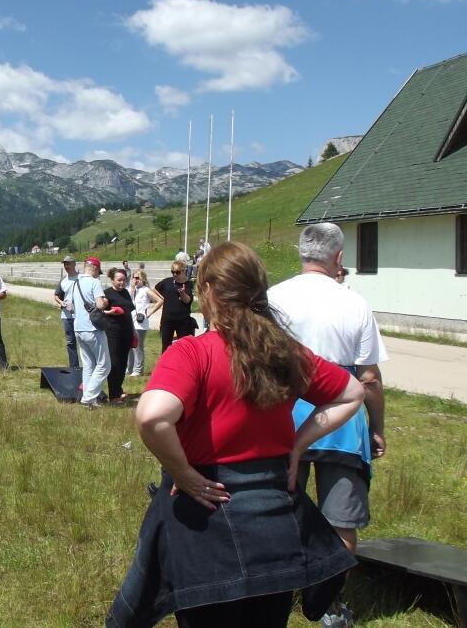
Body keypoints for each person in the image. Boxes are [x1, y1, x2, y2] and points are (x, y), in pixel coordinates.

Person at [106, 241, 365, 628]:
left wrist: (181, 472)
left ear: (208, 291)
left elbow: (152, 416)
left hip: (205, 521)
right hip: (275, 518)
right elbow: (352, 392)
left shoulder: (192, 353)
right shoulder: (284, 351)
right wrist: (297, 445)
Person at [268, 223, 388, 628]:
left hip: (282, 417)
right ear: (338, 258)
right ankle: (330, 605)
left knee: (280, 510)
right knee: (342, 518)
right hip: (342, 420)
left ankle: (276, 597)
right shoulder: (354, 302)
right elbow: (368, 378)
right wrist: (376, 426)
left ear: (300, 253)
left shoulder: (272, 298)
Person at [73, 257, 110, 407]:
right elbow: (101, 304)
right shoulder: (95, 282)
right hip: (92, 328)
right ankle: (88, 397)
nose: (98, 275)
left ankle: (90, 399)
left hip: (78, 327)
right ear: (94, 268)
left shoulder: (76, 282)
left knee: (88, 365)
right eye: (98, 272)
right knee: (104, 364)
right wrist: (106, 302)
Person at [102, 268, 135, 403]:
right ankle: (113, 395)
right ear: (112, 280)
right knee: (114, 363)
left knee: (123, 363)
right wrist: (110, 312)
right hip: (113, 332)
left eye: (124, 280)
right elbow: (100, 311)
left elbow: (129, 313)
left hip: (126, 332)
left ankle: (118, 389)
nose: (122, 282)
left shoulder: (126, 292)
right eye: (119, 280)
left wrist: (134, 332)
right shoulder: (106, 294)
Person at [127, 269, 163, 377]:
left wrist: (149, 313)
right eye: (134, 277)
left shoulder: (145, 290)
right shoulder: (130, 289)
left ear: (142, 279)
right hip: (130, 320)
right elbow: (127, 300)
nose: (135, 280)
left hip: (140, 322)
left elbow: (160, 300)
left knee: (137, 346)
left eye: (137, 278)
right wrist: (132, 287)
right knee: (129, 346)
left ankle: (138, 369)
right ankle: (129, 368)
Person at [154, 260, 196, 353]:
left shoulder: (188, 284)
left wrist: (182, 293)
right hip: (167, 320)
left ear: (183, 271)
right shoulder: (167, 282)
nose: (175, 274)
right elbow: (156, 288)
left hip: (183, 320)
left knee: (183, 346)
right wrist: (162, 298)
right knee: (166, 347)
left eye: (177, 272)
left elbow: (188, 300)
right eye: (172, 272)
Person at [52, 255, 80, 370]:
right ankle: (74, 367)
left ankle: (87, 366)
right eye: (65, 264)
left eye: (68, 264)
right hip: (66, 316)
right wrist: (62, 303)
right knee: (70, 342)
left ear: (74, 264)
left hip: (80, 316)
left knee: (83, 341)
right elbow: (56, 295)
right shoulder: (63, 280)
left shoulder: (81, 278)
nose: (66, 266)